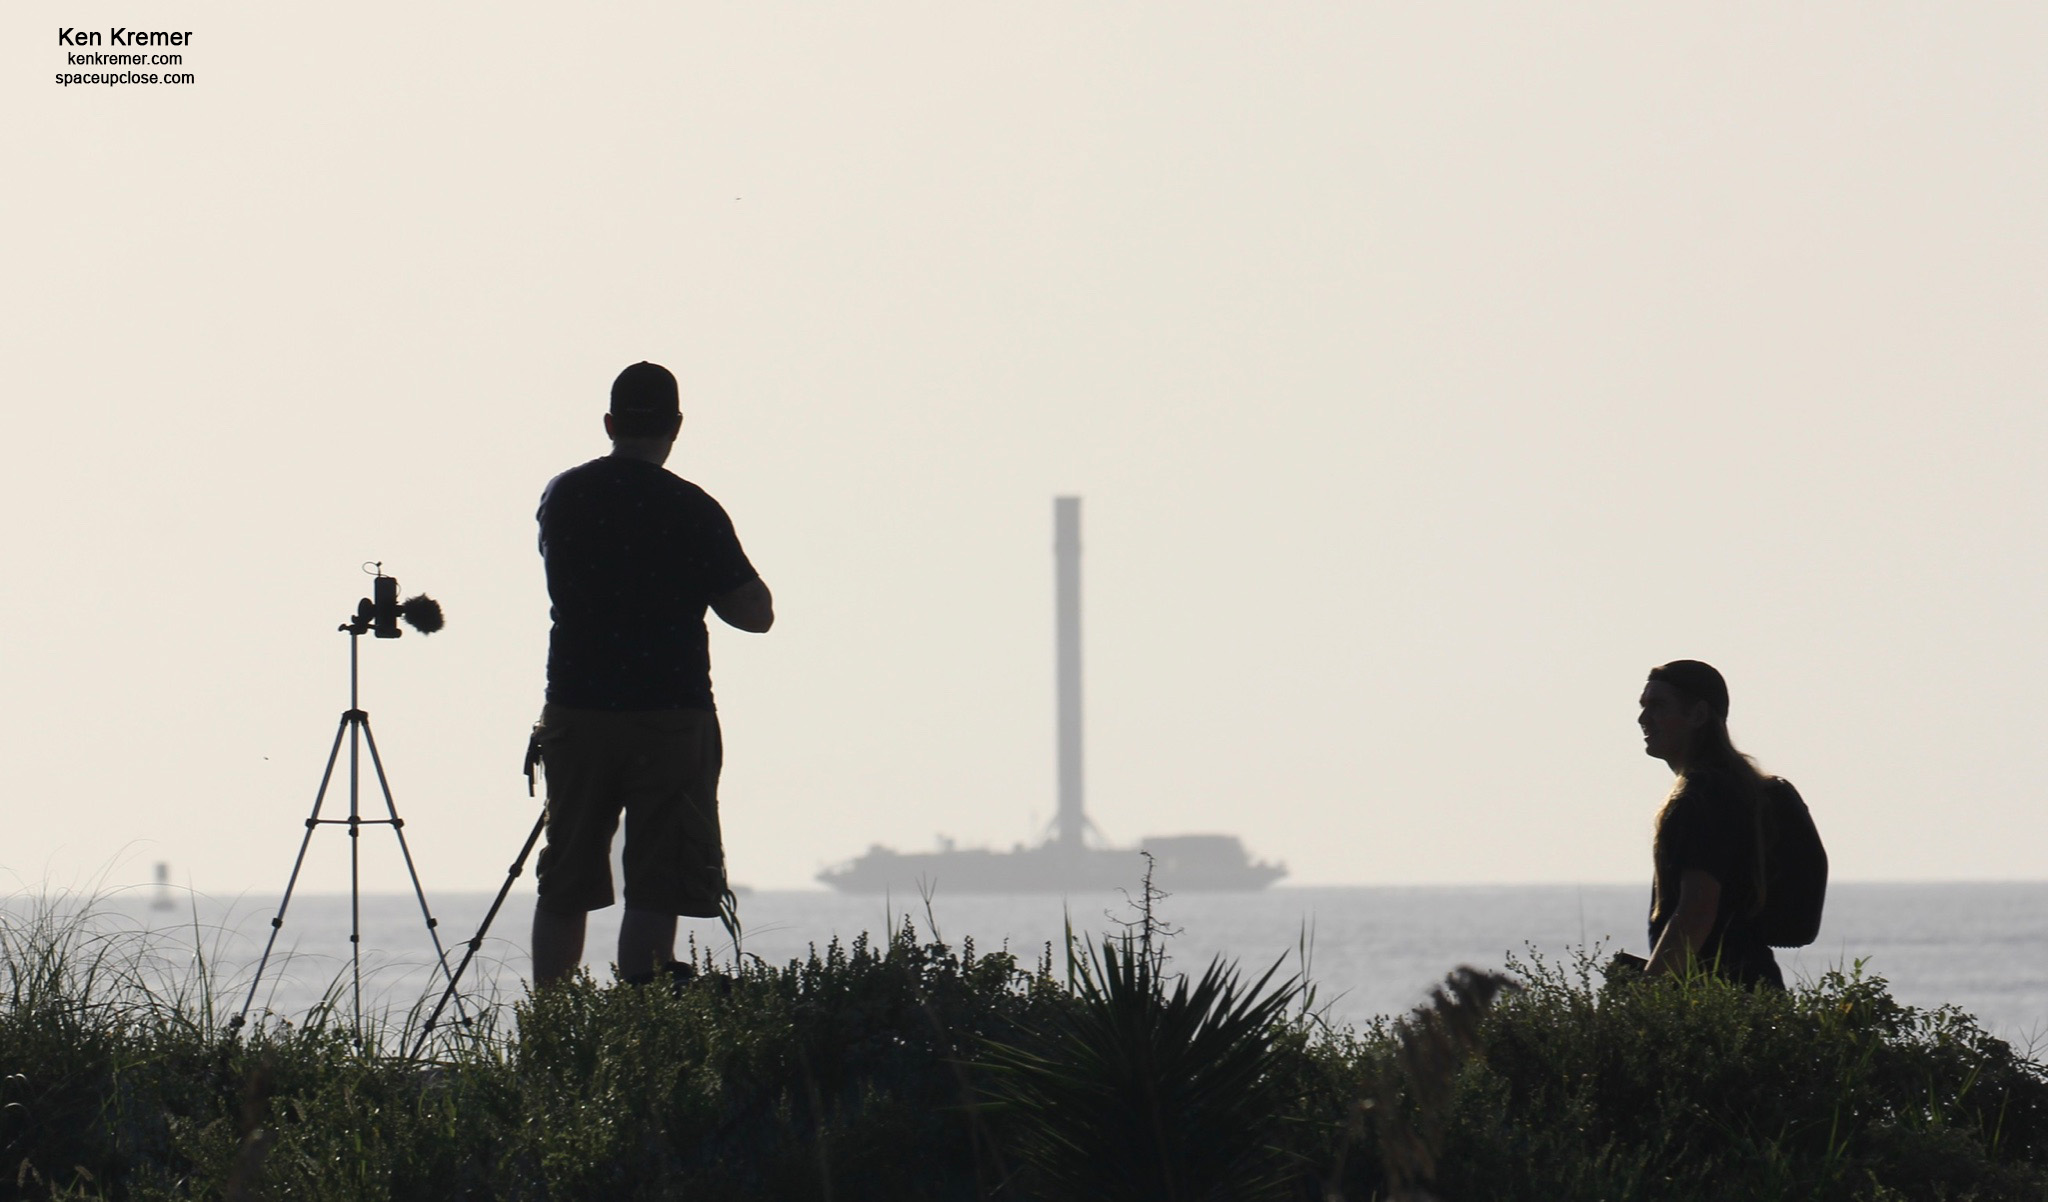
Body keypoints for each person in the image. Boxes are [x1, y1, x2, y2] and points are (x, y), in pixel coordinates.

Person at [527, 361, 774, 987]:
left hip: (578, 708)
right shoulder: (693, 508)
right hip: (671, 713)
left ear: (609, 423)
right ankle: (642, 1018)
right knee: (657, 879)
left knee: (567, 876)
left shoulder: (564, 495)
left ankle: (552, 1029)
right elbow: (755, 614)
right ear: (677, 427)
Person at [1635, 659, 1784, 988]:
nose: (1644, 719)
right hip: (1754, 989)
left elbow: (1697, 911)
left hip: (1721, 1000)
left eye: (1658, 706)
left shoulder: (1700, 799)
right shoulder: (1738, 788)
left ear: (1699, 715)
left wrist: (1647, 994)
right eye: (1643, 706)